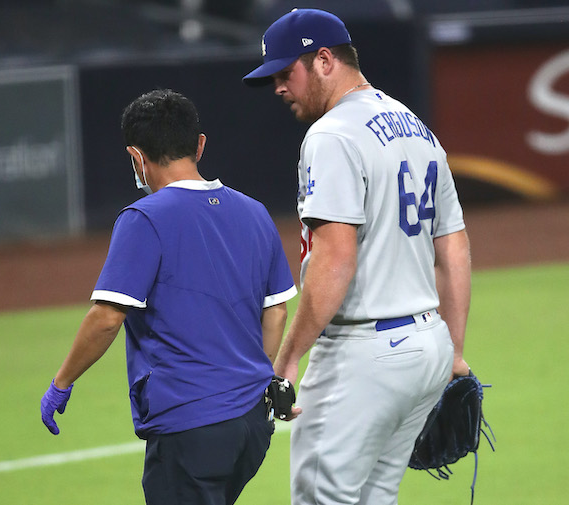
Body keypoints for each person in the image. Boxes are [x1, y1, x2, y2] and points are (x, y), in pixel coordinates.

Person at [243, 8, 472, 505]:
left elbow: (335, 260)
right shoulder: (416, 127)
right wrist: (452, 350)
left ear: (324, 60)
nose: (279, 86)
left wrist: (286, 361)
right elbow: (452, 245)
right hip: (426, 346)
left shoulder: (331, 136)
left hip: (362, 355)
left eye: (287, 73)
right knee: (376, 498)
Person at [40, 89, 297, 505]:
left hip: (190, 425)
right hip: (251, 425)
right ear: (199, 145)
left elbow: (107, 317)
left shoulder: (144, 218)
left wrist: (61, 383)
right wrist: (254, 382)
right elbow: (277, 311)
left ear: (137, 158)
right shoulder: (254, 211)